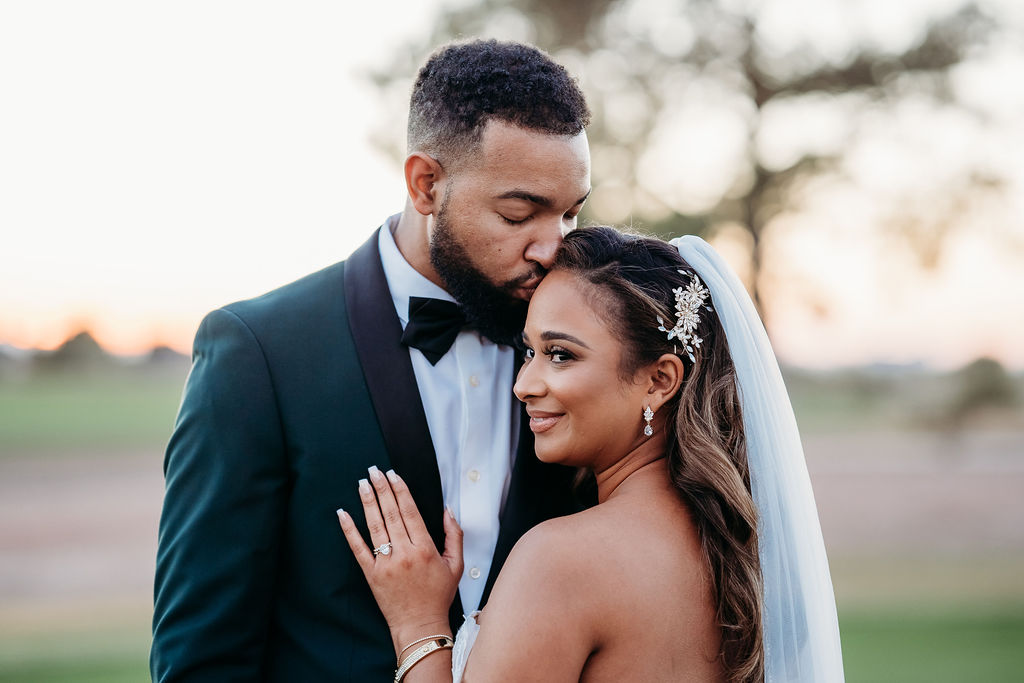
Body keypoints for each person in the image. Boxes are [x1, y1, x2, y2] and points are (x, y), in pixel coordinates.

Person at [150, 40, 593, 681]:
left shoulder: (581, 348)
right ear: (426, 184)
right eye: (519, 213)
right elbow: (202, 658)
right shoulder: (259, 353)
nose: (553, 249)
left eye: (571, 214)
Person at [339, 226, 846, 682]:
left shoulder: (561, 561)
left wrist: (418, 624)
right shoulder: (741, 550)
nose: (523, 384)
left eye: (561, 355)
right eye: (529, 351)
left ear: (659, 380)